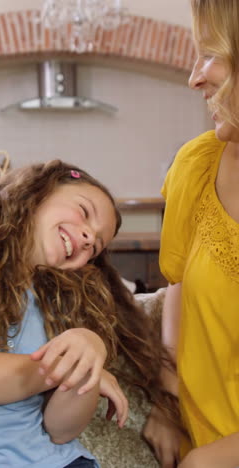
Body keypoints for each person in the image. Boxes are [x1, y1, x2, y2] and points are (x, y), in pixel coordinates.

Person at [0, 159, 170, 468]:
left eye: (95, 246)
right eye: (84, 211)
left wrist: (87, 355)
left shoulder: (61, 304)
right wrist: (59, 367)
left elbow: (61, 430)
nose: (90, 238)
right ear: (40, 191)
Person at [143, 1, 239, 467]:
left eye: (210, 56)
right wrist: (165, 400)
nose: (194, 78)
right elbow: (179, 285)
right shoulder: (196, 165)